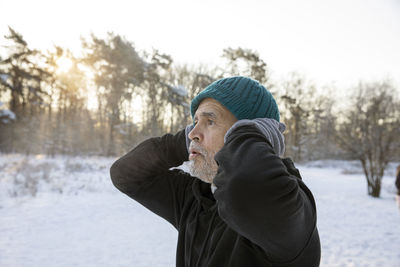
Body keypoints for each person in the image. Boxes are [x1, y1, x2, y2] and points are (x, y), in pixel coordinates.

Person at [110, 76, 321, 266]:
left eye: (210, 121)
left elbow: (246, 184)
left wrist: (250, 136)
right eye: (195, 122)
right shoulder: (195, 196)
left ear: (248, 136)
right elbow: (126, 175)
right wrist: (181, 143)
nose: (193, 133)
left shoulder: (290, 208)